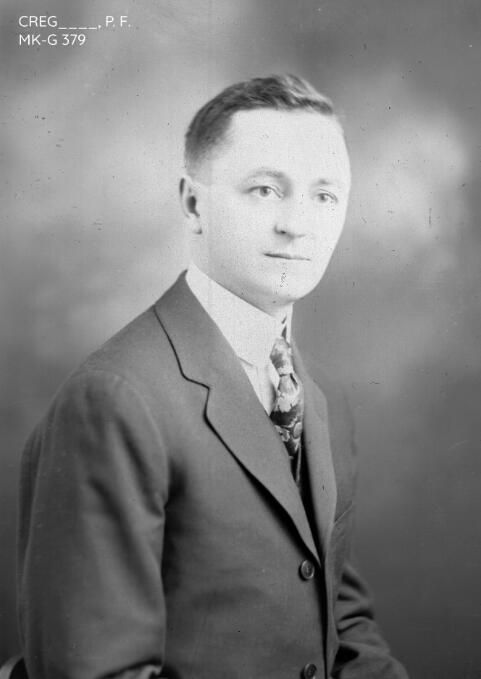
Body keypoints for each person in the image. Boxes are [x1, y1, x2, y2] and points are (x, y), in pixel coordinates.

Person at [17, 74, 408, 679]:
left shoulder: (320, 396)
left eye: (325, 196)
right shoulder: (116, 401)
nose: (297, 224)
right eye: (265, 189)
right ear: (193, 205)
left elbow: (340, 623)